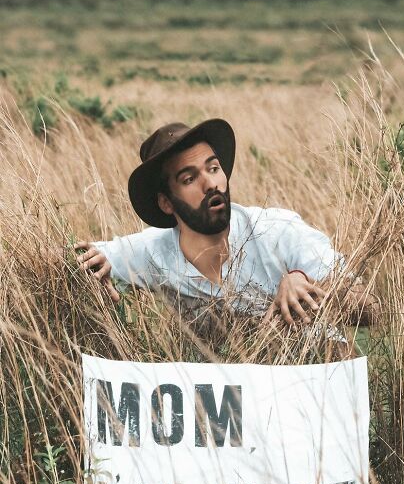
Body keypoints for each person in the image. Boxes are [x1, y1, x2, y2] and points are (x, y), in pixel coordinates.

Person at [76, 119, 376, 335]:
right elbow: (89, 256)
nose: (211, 184)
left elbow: (370, 309)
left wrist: (305, 283)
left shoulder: (276, 231)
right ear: (167, 203)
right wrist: (92, 275)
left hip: (314, 385)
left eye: (213, 168)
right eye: (189, 179)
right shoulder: (154, 252)